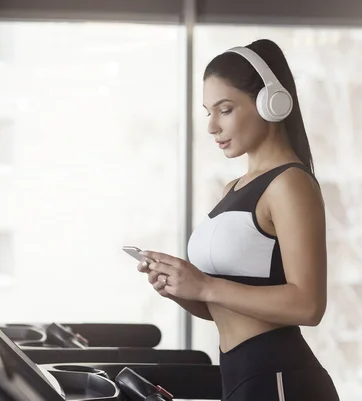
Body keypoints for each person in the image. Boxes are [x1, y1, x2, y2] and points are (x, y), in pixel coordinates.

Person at [136, 39, 340, 401]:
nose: (212, 126)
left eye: (225, 109)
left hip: (278, 376)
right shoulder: (234, 188)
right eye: (208, 112)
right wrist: (180, 289)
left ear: (270, 103)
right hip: (240, 375)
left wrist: (204, 286)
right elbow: (226, 307)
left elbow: (308, 305)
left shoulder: (289, 184)